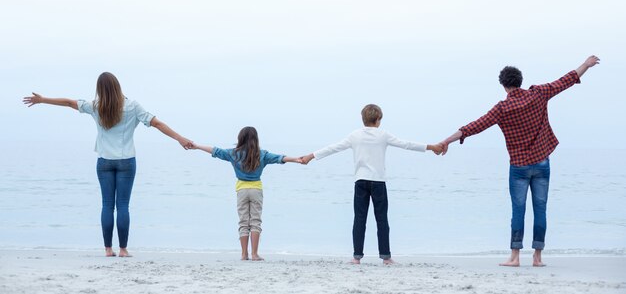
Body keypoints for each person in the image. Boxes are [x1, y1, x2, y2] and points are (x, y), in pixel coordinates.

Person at [438, 55, 600, 267]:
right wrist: (586, 65)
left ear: (504, 86)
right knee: (541, 209)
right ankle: (538, 257)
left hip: (519, 167)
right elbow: (566, 80)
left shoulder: (502, 109)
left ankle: (514, 257)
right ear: (520, 81)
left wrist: (447, 140)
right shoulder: (539, 94)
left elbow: (475, 126)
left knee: (518, 210)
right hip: (542, 163)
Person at [23, 72, 193, 257]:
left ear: (99, 90)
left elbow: (69, 103)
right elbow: (157, 123)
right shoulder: (132, 106)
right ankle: (123, 250)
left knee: (106, 205)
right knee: (123, 206)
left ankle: (107, 249)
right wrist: (179, 138)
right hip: (127, 161)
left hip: (104, 162)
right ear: (118, 86)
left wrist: (42, 100)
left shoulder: (96, 107)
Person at [299, 104, 443, 265]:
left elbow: (334, 148)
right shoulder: (383, 135)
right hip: (378, 182)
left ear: (363, 119)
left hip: (360, 181)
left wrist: (311, 156)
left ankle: (356, 257)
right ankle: (386, 257)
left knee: (359, 219)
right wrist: (432, 147)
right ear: (378, 119)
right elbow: (406, 144)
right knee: (382, 219)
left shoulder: (355, 135)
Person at [189, 126, 302, 261]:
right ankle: (254, 254)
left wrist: (197, 146)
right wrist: (296, 159)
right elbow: (280, 158)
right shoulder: (262, 154)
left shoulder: (233, 153)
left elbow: (215, 151)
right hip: (256, 190)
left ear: (240, 138)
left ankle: (244, 254)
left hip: (241, 190)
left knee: (243, 222)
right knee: (255, 221)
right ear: (256, 139)